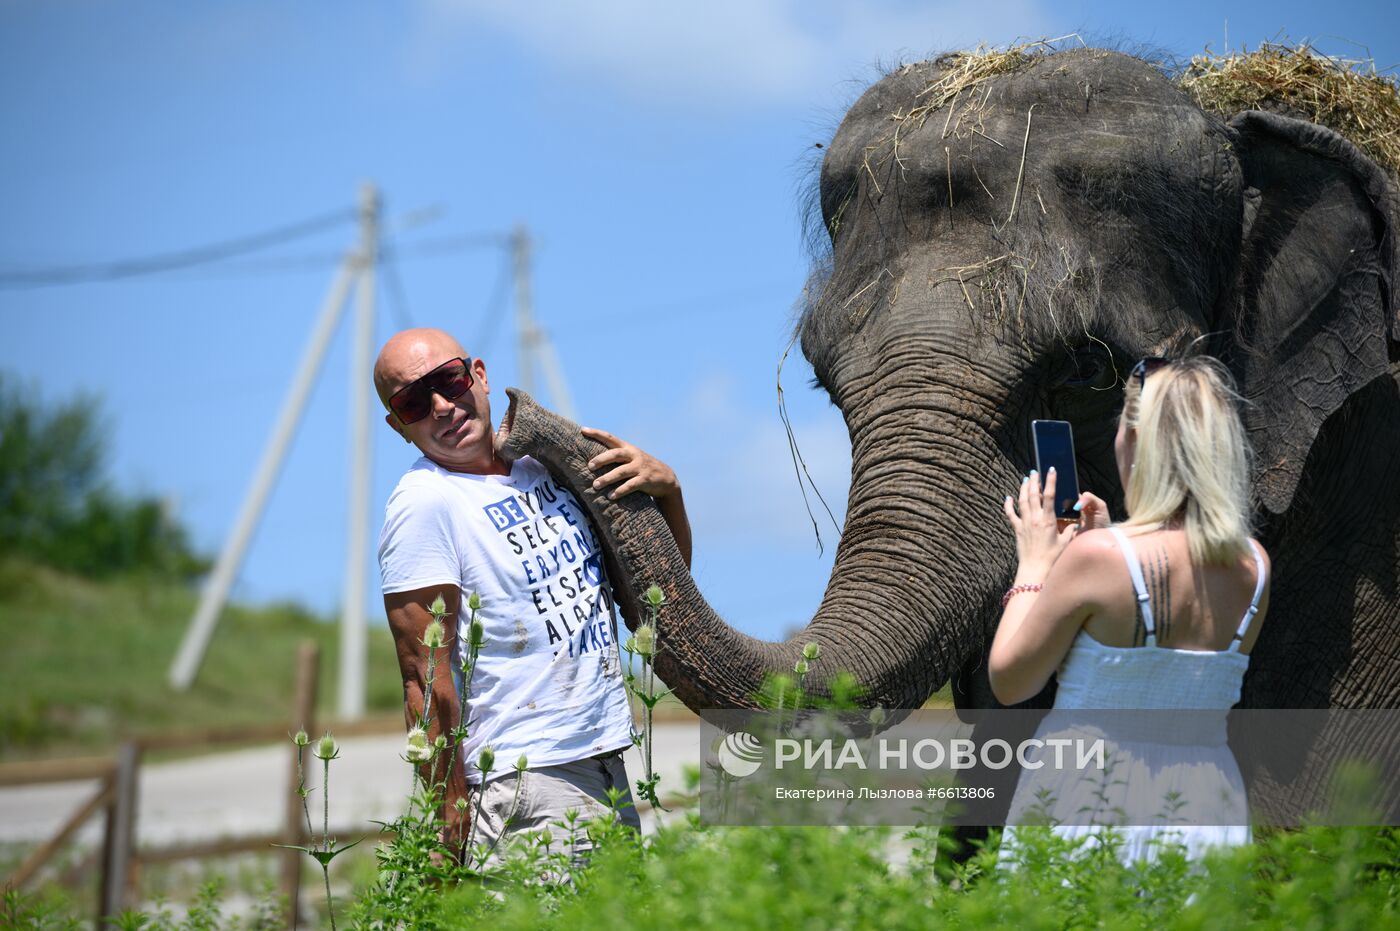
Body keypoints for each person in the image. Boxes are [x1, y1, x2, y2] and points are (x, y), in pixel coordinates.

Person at [373, 327, 691, 868]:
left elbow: (661, 596)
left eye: (449, 381)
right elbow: (424, 678)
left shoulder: (543, 467)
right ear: (398, 426)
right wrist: (447, 814)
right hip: (524, 785)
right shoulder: (425, 504)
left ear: (479, 374)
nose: (443, 406)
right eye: (413, 402)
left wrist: (669, 492)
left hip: (604, 763)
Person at [989, 355, 1272, 867]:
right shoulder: (1254, 565)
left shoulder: (1096, 559)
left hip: (1087, 797)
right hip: (1207, 807)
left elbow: (1011, 682)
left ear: (1139, 442)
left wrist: (1035, 563)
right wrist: (1104, 546)